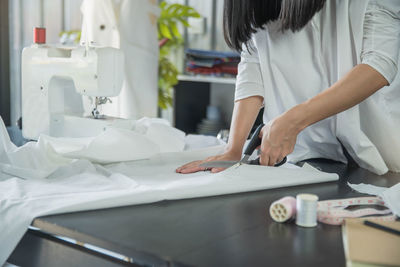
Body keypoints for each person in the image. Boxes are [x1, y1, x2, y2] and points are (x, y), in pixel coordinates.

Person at [177, 0, 400, 175]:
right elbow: (252, 66)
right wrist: (233, 149)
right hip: (308, 160)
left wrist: (294, 120)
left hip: (380, 159)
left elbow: (378, 65)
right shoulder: (259, 8)